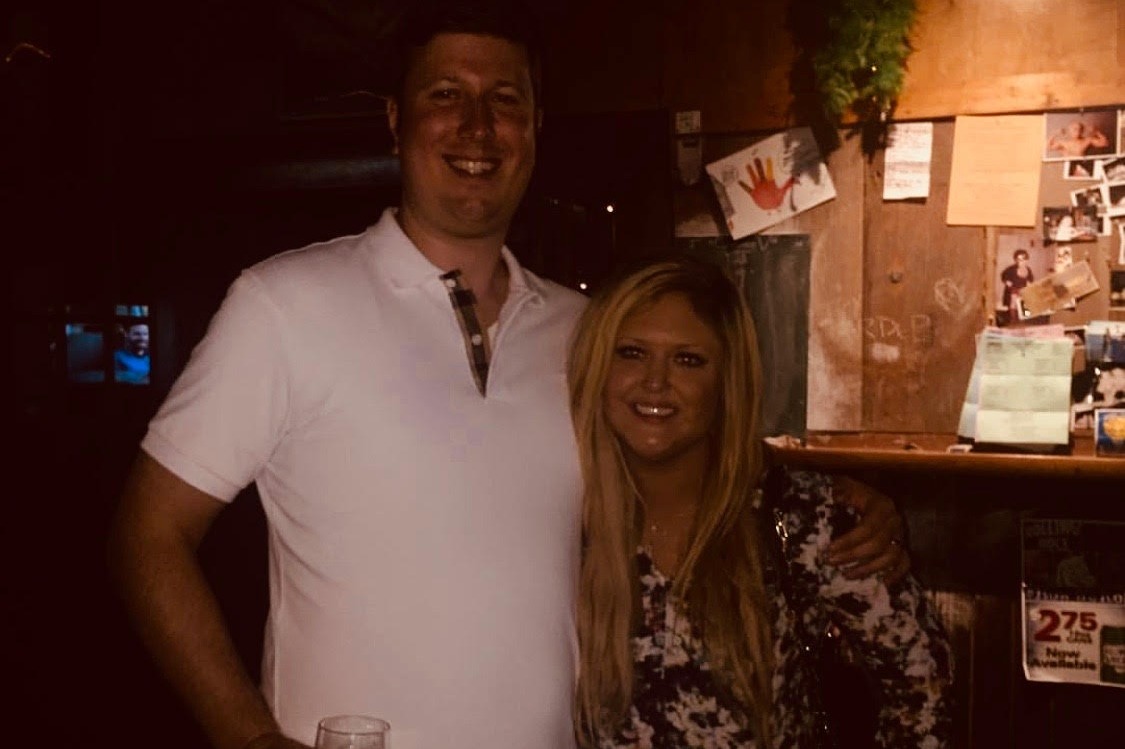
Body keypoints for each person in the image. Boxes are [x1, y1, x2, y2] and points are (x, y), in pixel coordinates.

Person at [106, 3, 909, 749]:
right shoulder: (283, 304)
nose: (477, 125)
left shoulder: (585, 330)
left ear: (535, 127)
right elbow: (148, 535)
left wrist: (827, 500)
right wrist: (247, 735)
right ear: (395, 120)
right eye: (445, 94)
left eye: (505, 100)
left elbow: (680, 454)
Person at [568, 257, 953, 748]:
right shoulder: (560, 516)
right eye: (631, 352)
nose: (655, 381)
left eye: (688, 359)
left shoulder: (802, 517)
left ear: (727, 380)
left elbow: (923, 685)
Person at [999, 248, 1033, 322]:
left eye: (1023, 259)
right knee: (1013, 303)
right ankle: (1013, 320)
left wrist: (1029, 284)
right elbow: (1003, 275)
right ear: (1016, 260)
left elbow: (1030, 280)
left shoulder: (1028, 270)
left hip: (1023, 292)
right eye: (1019, 259)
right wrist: (1007, 282)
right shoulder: (1011, 269)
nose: (1021, 261)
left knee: (1025, 309)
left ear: (1027, 260)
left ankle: (1025, 320)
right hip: (1014, 291)